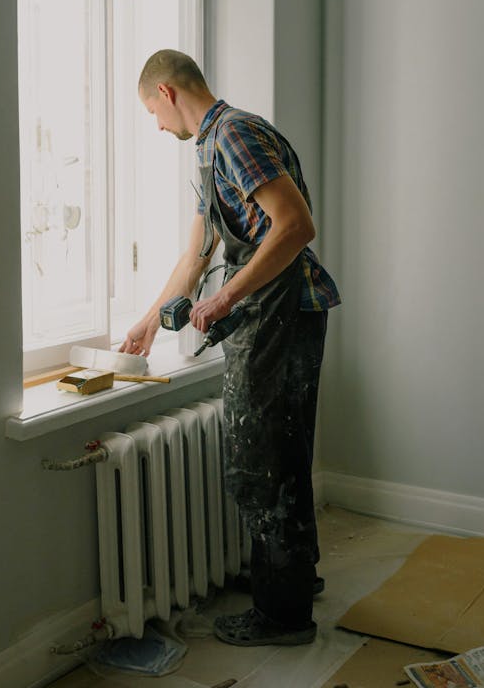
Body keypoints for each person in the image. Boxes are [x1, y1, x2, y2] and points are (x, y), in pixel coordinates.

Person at [120, 49, 340, 647]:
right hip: (277, 314)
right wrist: (147, 320)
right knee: (280, 451)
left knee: (261, 460)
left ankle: (282, 616)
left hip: (282, 313)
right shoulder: (213, 146)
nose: (157, 127)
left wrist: (222, 301)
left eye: (152, 112)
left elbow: (295, 226)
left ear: (166, 92)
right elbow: (198, 253)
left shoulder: (236, 134)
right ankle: (291, 579)